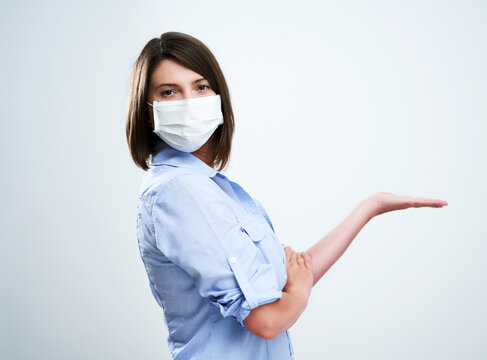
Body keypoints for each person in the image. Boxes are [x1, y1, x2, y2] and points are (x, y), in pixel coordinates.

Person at [125, 31, 448, 360]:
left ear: (218, 95)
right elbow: (267, 320)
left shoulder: (208, 187)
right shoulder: (180, 190)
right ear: (148, 111)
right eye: (169, 92)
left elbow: (288, 279)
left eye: (201, 86)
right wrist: (298, 294)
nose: (190, 102)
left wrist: (370, 207)